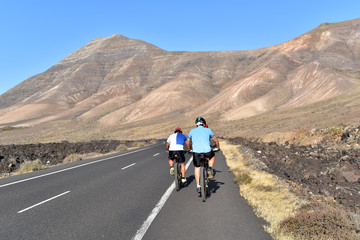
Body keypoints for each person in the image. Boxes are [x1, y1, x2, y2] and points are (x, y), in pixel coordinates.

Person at [186, 117, 220, 193]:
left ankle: (198, 185)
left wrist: (189, 149)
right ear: (204, 124)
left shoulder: (192, 131)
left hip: (196, 152)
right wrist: (217, 147)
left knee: (197, 167)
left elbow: (188, 142)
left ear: (196, 125)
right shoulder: (208, 130)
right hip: (207, 151)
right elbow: (215, 140)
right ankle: (210, 168)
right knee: (212, 156)